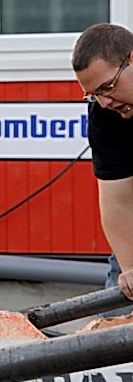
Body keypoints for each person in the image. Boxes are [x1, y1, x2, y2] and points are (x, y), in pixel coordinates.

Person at [72, 22, 133, 302]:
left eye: (108, 87)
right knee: (114, 321)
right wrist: (130, 269)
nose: (105, 101)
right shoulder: (104, 115)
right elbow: (118, 201)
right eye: (95, 94)